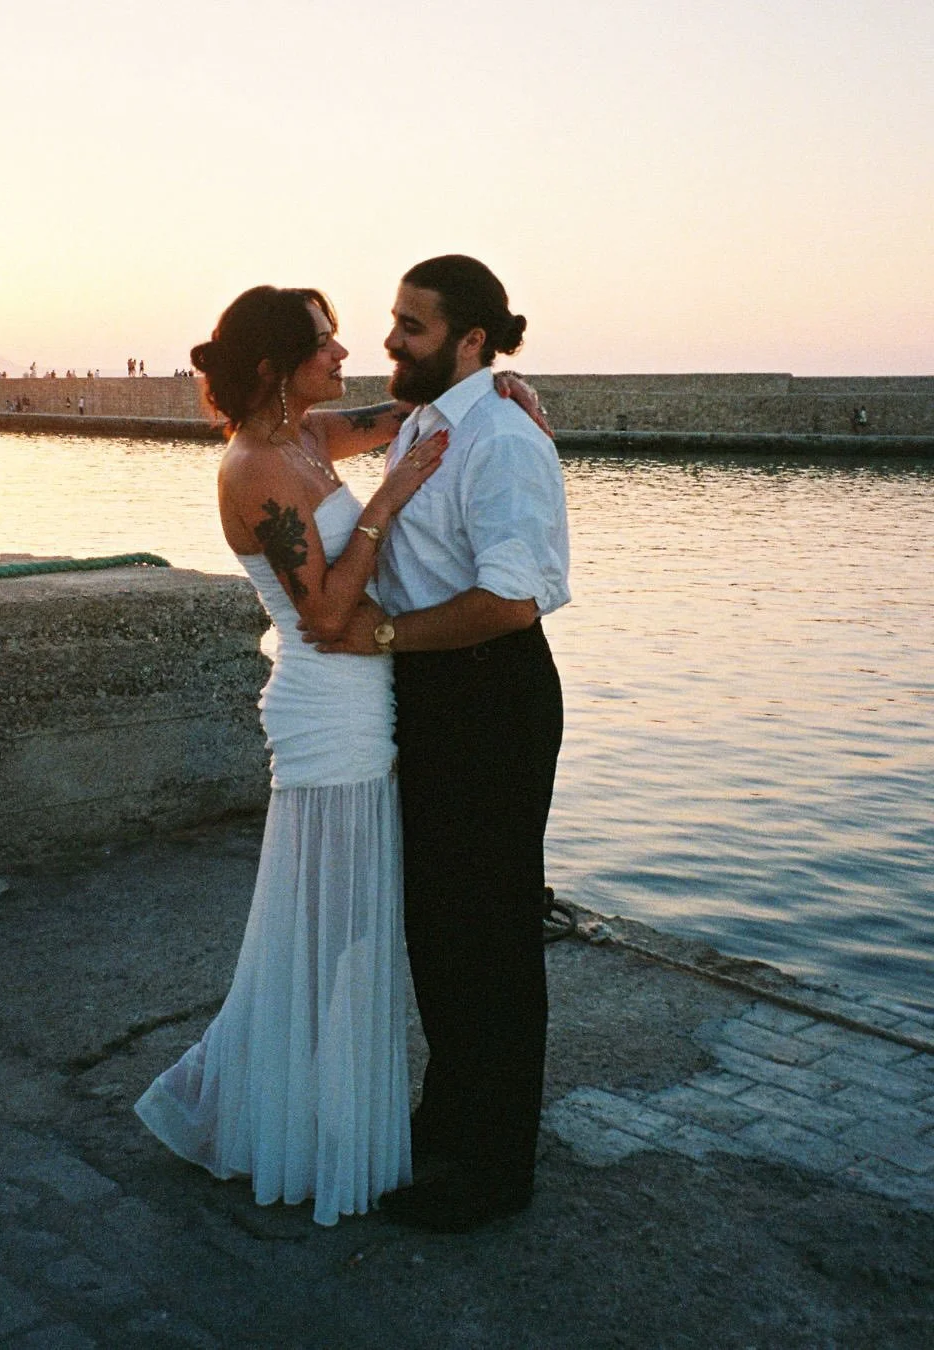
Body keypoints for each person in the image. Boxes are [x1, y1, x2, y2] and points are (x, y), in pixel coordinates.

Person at [134, 285, 452, 1226]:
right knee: (331, 928)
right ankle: (257, 1109)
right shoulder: (255, 469)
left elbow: (403, 410)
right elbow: (324, 614)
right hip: (328, 708)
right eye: (324, 343)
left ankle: (275, 1100)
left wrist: (502, 386)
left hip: (361, 700)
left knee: (343, 925)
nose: (343, 352)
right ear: (276, 367)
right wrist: (389, 497)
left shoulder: (310, 436)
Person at [308, 255, 570, 1233]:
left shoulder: (501, 440)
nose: (390, 339)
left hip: (490, 695)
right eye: (393, 319)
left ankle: (497, 1168)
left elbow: (509, 601)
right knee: (441, 927)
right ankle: (452, 1116)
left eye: (410, 326)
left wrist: (380, 636)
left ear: (470, 339)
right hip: (435, 692)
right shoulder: (428, 419)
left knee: (491, 935)